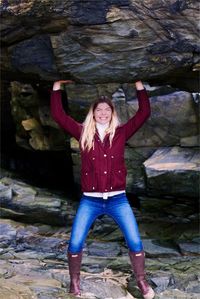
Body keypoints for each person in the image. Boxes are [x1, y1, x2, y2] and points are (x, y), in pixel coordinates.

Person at [50, 80, 155, 299]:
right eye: (99, 110)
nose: (103, 113)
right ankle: (74, 284)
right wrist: (57, 88)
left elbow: (144, 112)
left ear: (112, 113)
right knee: (75, 242)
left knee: (135, 241)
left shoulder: (121, 133)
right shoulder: (82, 132)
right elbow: (59, 115)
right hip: (90, 200)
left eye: (107, 110)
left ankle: (142, 282)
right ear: (93, 113)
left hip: (118, 200)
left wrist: (138, 87)